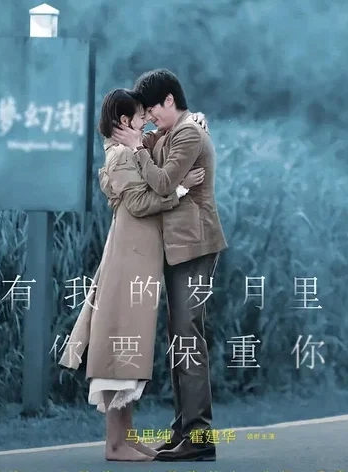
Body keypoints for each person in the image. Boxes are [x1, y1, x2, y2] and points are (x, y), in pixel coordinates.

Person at [58, 88, 208, 462]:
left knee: (130, 343)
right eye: (142, 116)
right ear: (125, 121)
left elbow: (154, 147)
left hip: (135, 256)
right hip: (129, 257)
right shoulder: (122, 154)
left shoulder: (127, 150)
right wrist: (182, 188)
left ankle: (125, 438)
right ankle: (115, 443)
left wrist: (190, 123)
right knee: (120, 340)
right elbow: (140, 203)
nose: (147, 122)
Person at [112, 69, 228, 462]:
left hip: (194, 246)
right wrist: (137, 140)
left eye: (151, 110)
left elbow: (162, 183)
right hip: (179, 249)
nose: (149, 118)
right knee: (180, 339)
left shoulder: (188, 134)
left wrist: (139, 149)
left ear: (169, 100)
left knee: (188, 338)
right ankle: (185, 430)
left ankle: (199, 436)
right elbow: (143, 148)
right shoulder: (171, 133)